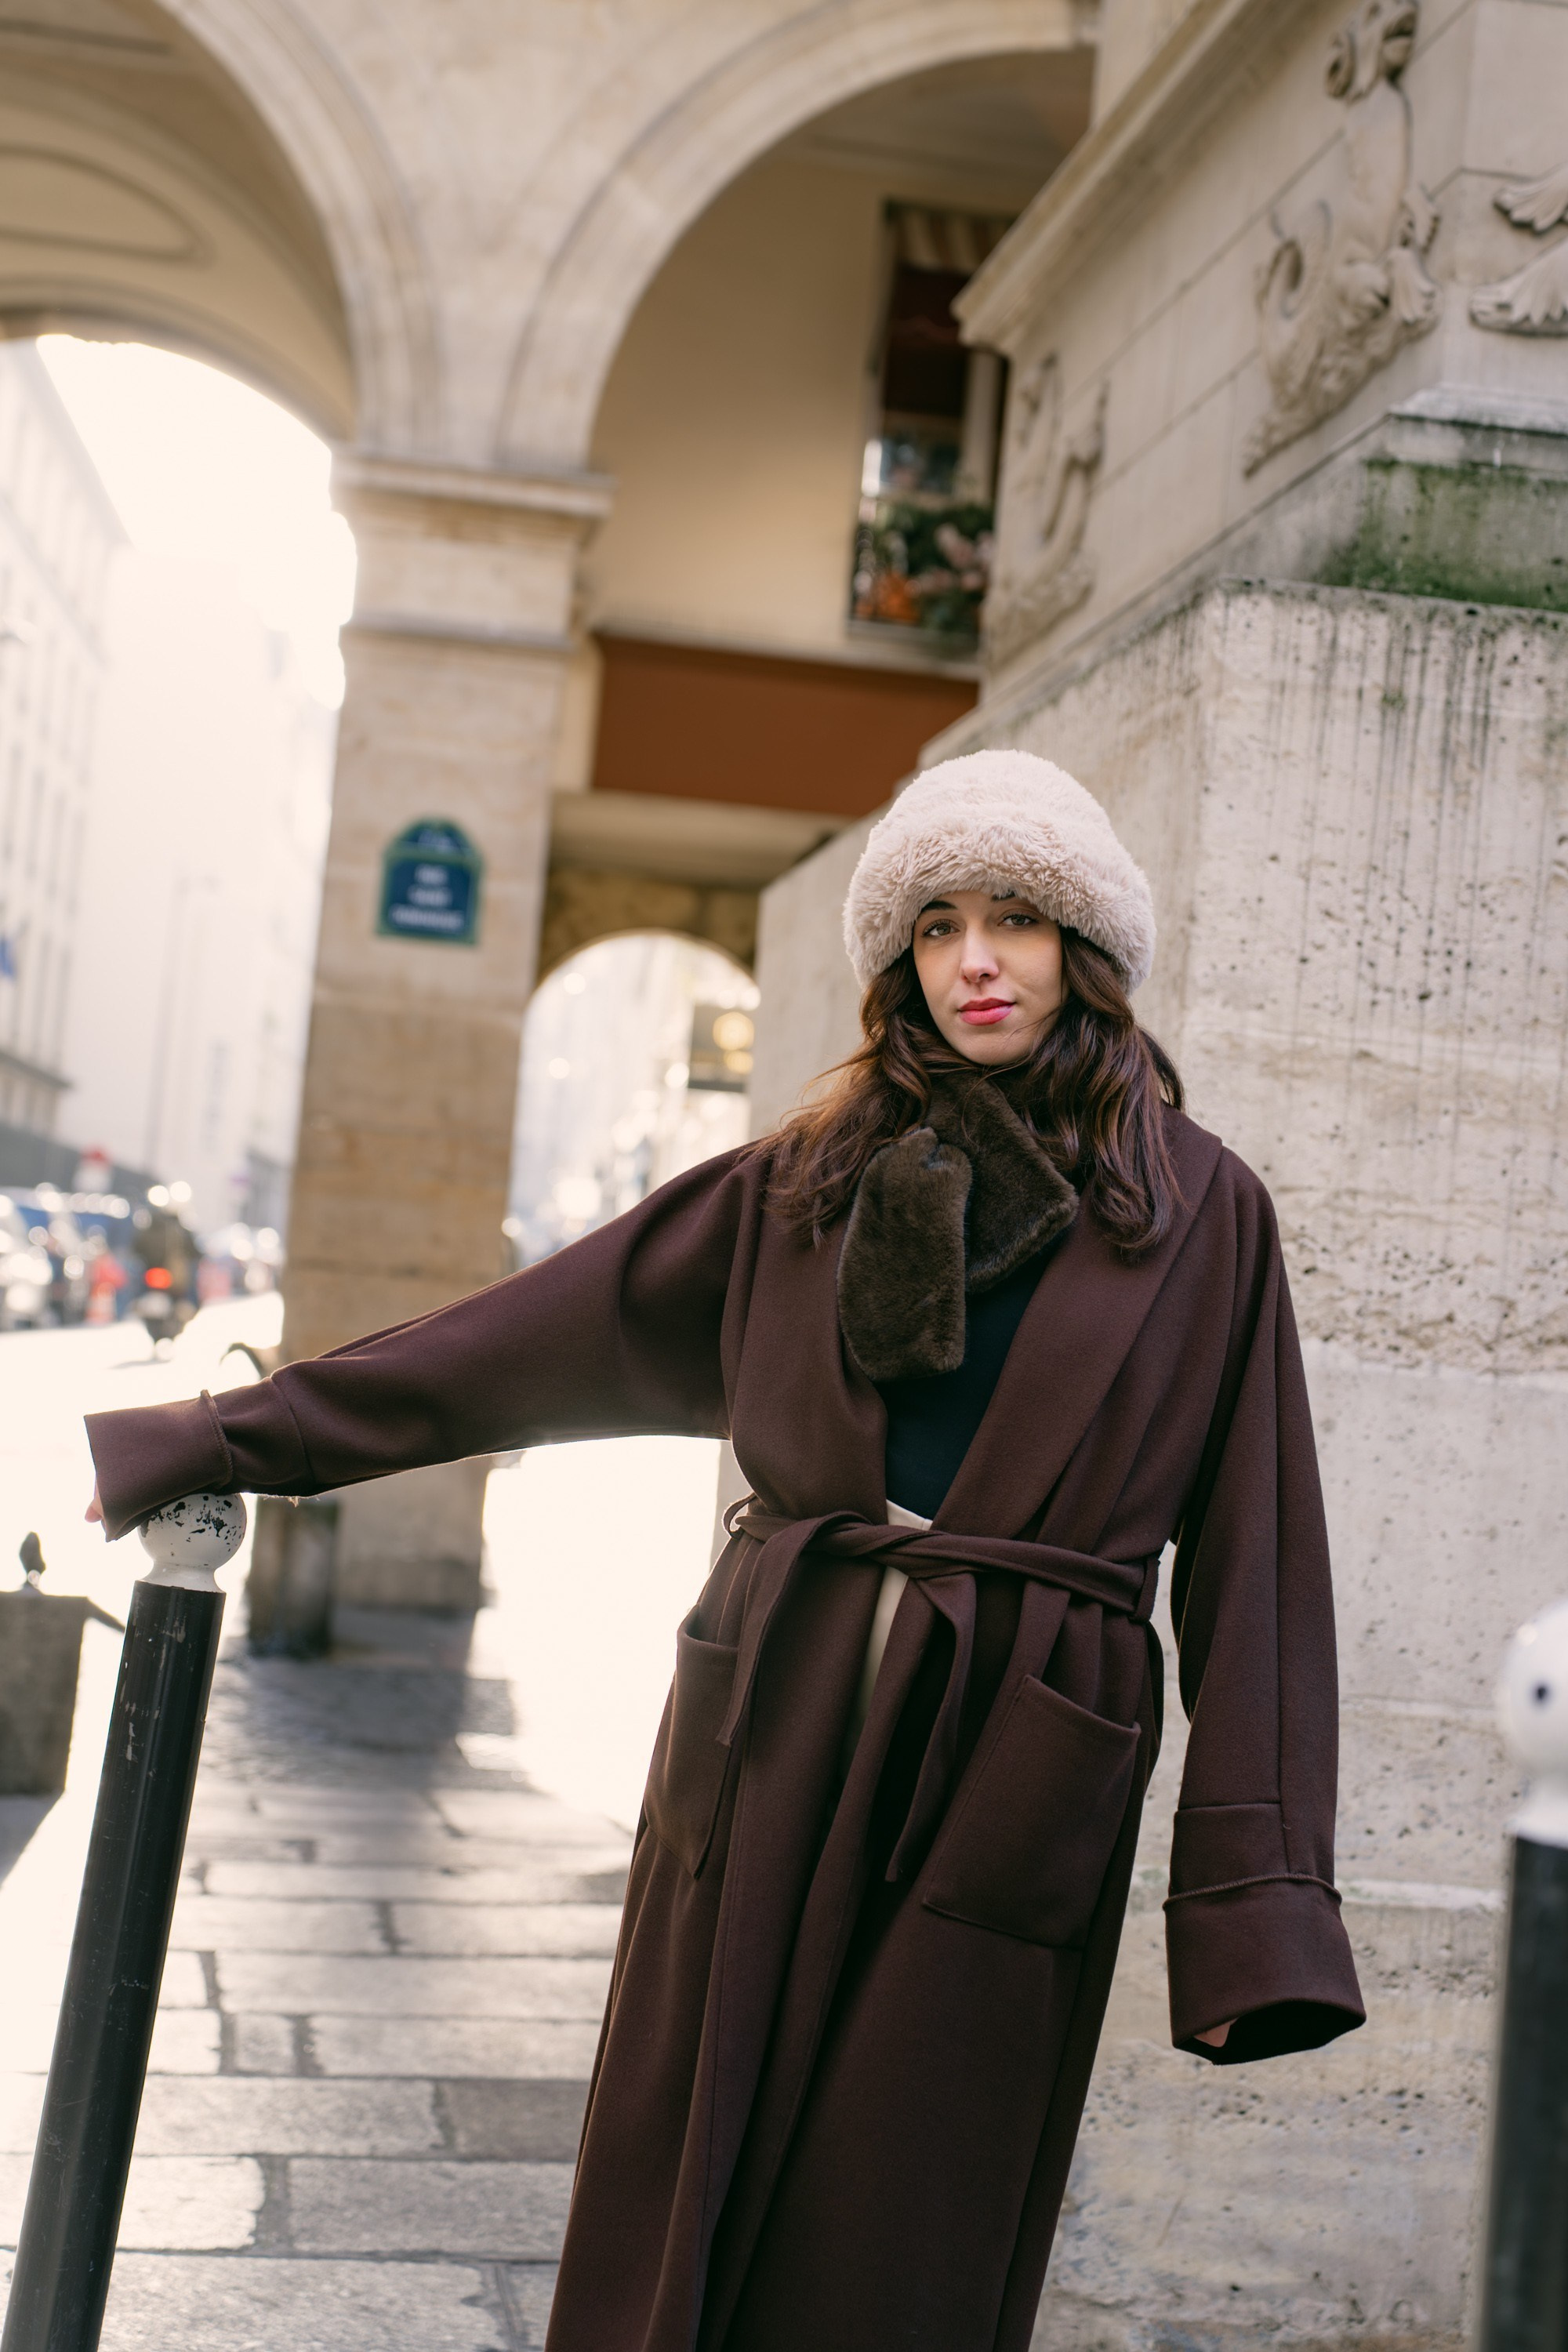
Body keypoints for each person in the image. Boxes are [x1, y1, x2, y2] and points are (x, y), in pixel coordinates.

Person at [84, 750, 1364, 2352]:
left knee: (905, 2222)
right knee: (679, 2173)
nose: (975, 958)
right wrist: (222, 1439)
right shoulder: (804, 1182)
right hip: (775, 1705)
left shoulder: (1199, 1214)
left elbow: (1262, 1563)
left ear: (1084, 950)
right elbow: (519, 1344)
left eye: (1019, 920)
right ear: (898, 956)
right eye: (939, 922)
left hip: (1013, 1748)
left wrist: (1256, 1910)